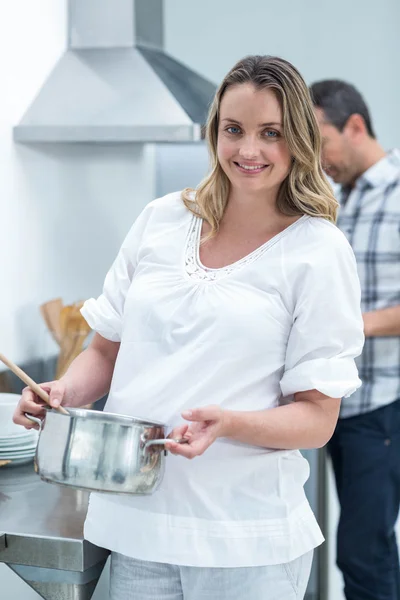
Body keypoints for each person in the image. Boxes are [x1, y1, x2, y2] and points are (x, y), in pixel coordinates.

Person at [14, 56, 364, 600]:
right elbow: (105, 351)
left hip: (247, 544)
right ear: (214, 133)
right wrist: (62, 392)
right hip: (138, 531)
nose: (248, 150)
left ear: (298, 139)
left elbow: (317, 419)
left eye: (270, 133)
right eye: (234, 130)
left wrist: (229, 423)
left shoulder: (318, 251)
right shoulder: (161, 219)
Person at [310, 79, 400, 600]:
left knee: (364, 554)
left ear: (356, 126)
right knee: (359, 550)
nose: (317, 161)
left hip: (382, 405)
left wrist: (349, 323)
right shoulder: (338, 200)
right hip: (335, 402)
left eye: (319, 143)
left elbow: (349, 314)